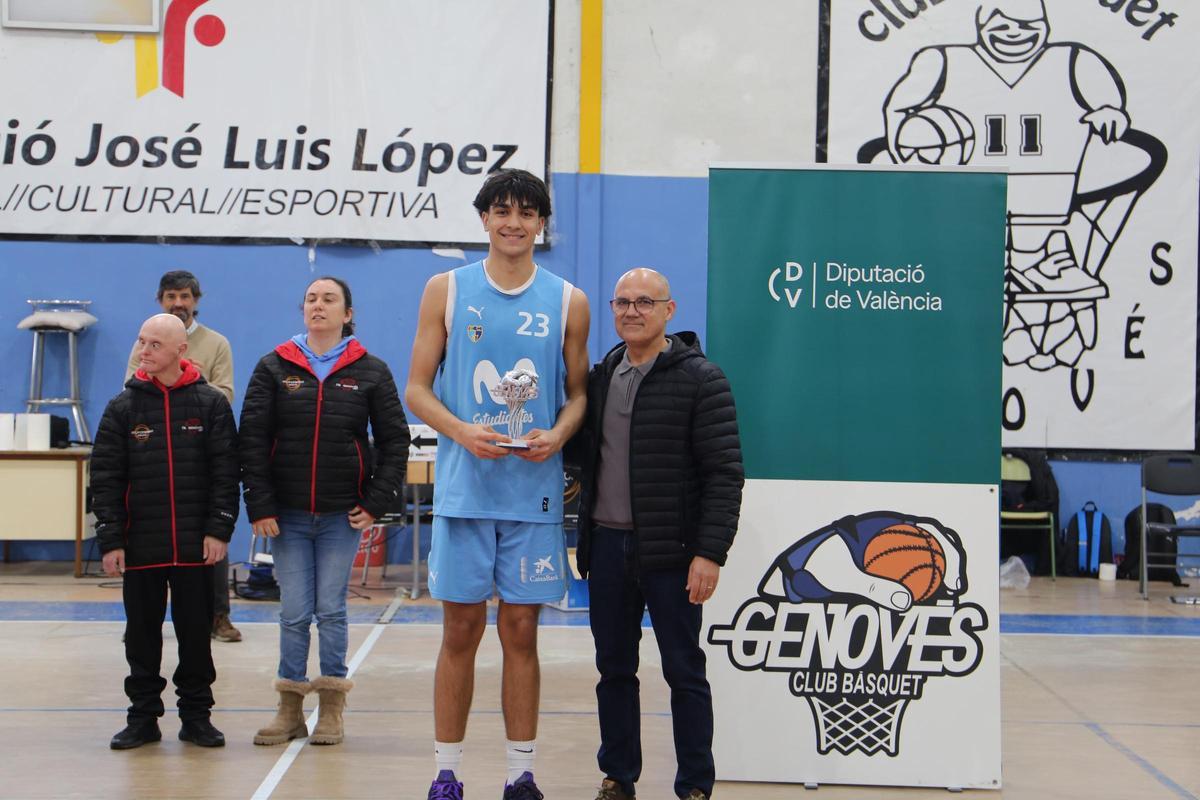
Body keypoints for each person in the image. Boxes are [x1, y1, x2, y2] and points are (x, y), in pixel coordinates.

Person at [406, 169, 589, 799]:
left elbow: (578, 395)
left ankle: (520, 775)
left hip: (532, 494)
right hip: (466, 490)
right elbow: (417, 390)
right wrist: (460, 430)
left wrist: (560, 435)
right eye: (502, 210)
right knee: (460, 631)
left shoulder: (568, 299)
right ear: (484, 219)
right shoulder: (446, 289)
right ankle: (447, 773)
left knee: (521, 632)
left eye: (527, 211)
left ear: (542, 223)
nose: (514, 221)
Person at [573, 268, 744, 800]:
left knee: (684, 672)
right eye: (622, 302)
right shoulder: (600, 376)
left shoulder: (702, 379)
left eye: (645, 302)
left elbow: (724, 473)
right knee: (614, 671)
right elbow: (585, 458)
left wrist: (710, 552)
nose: (631, 311)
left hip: (673, 555)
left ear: (670, 310)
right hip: (605, 548)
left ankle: (694, 784)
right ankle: (618, 777)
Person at [241, 276, 409, 747]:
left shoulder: (371, 370)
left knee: (331, 610)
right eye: (312, 299)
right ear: (303, 310)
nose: (319, 305)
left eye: (329, 299)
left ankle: (332, 707)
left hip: (341, 516)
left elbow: (395, 440)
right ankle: (289, 708)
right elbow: (252, 438)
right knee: (294, 612)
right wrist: (260, 504)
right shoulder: (274, 367)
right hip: (287, 516)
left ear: (347, 313)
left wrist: (376, 501)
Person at [93, 313, 239, 750]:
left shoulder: (210, 404)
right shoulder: (123, 407)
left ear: (181, 350)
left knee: (196, 635)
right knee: (141, 635)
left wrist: (218, 530)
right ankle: (142, 717)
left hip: (197, 548)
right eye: (142, 342)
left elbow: (225, 474)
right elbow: (104, 478)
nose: (144, 351)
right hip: (141, 546)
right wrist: (111, 539)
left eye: (155, 344)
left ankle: (197, 716)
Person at [126, 269, 242, 643]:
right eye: (171, 296)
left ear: (196, 301)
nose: (179, 303)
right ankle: (144, 625)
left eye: (186, 297)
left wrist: (188, 388)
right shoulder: (144, 341)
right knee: (151, 540)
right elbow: (134, 386)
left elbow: (224, 393)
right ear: (161, 300)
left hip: (201, 449)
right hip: (155, 450)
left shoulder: (217, 343)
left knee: (212, 532)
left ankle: (218, 616)